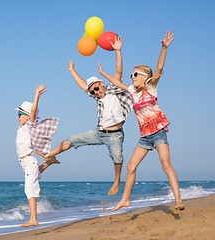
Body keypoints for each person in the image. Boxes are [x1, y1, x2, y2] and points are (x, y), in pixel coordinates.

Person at [97, 31, 185, 211]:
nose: (132, 77)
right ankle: (125, 199)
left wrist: (164, 47)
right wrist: (104, 70)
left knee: (165, 164)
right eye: (131, 75)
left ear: (146, 76)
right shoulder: (132, 90)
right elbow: (117, 81)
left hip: (158, 131)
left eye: (136, 74)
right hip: (145, 136)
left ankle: (178, 200)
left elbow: (159, 67)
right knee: (130, 166)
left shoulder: (151, 87)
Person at [44, 36, 133, 195]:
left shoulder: (113, 89)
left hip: (115, 135)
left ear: (102, 83)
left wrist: (118, 51)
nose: (95, 92)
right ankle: (49, 154)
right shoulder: (96, 97)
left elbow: (118, 71)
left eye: (97, 88)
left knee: (117, 157)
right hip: (99, 133)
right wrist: (72, 70)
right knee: (72, 139)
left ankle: (117, 181)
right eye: (92, 91)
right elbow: (82, 86)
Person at [15, 84, 60, 228]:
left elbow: (33, 111)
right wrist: (46, 156)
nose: (17, 117)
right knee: (35, 174)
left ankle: (33, 218)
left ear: (27, 116)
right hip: (26, 162)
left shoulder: (29, 125)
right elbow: (33, 146)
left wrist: (37, 95)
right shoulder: (22, 128)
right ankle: (50, 162)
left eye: (19, 114)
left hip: (29, 161)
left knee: (30, 189)